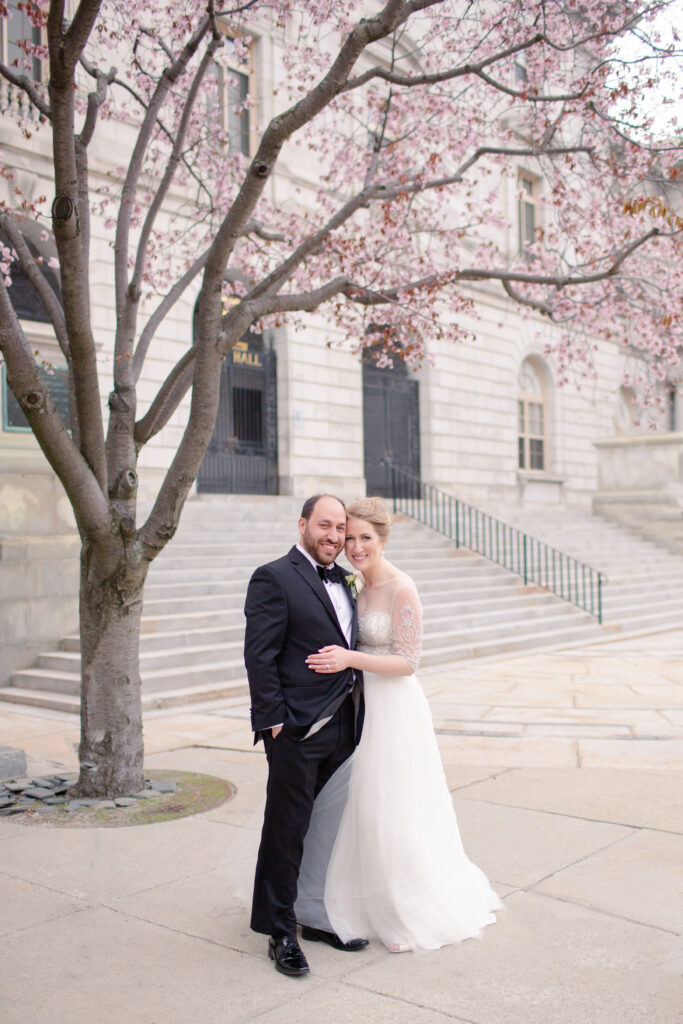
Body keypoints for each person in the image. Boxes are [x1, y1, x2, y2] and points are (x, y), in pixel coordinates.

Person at [300, 496, 501, 953]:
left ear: (384, 539)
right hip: (362, 705)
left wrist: (350, 658)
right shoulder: (355, 585)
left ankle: (401, 910)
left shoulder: (401, 588)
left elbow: (409, 661)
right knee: (364, 809)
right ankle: (361, 899)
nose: (354, 546)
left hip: (395, 708)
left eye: (365, 538)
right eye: (349, 538)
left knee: (392, 808)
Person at [243, 494, 368, 977]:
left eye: (340, 527)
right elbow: (260, 655)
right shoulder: (274, 577)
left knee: (329, 832)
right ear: (302, 525)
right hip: (296, 729)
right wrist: (272, 720)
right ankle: (278, 931)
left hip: (345, 725)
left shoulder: (348, 579)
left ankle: (314, 915)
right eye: (325, 525)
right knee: (287, 828)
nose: (334, 536)